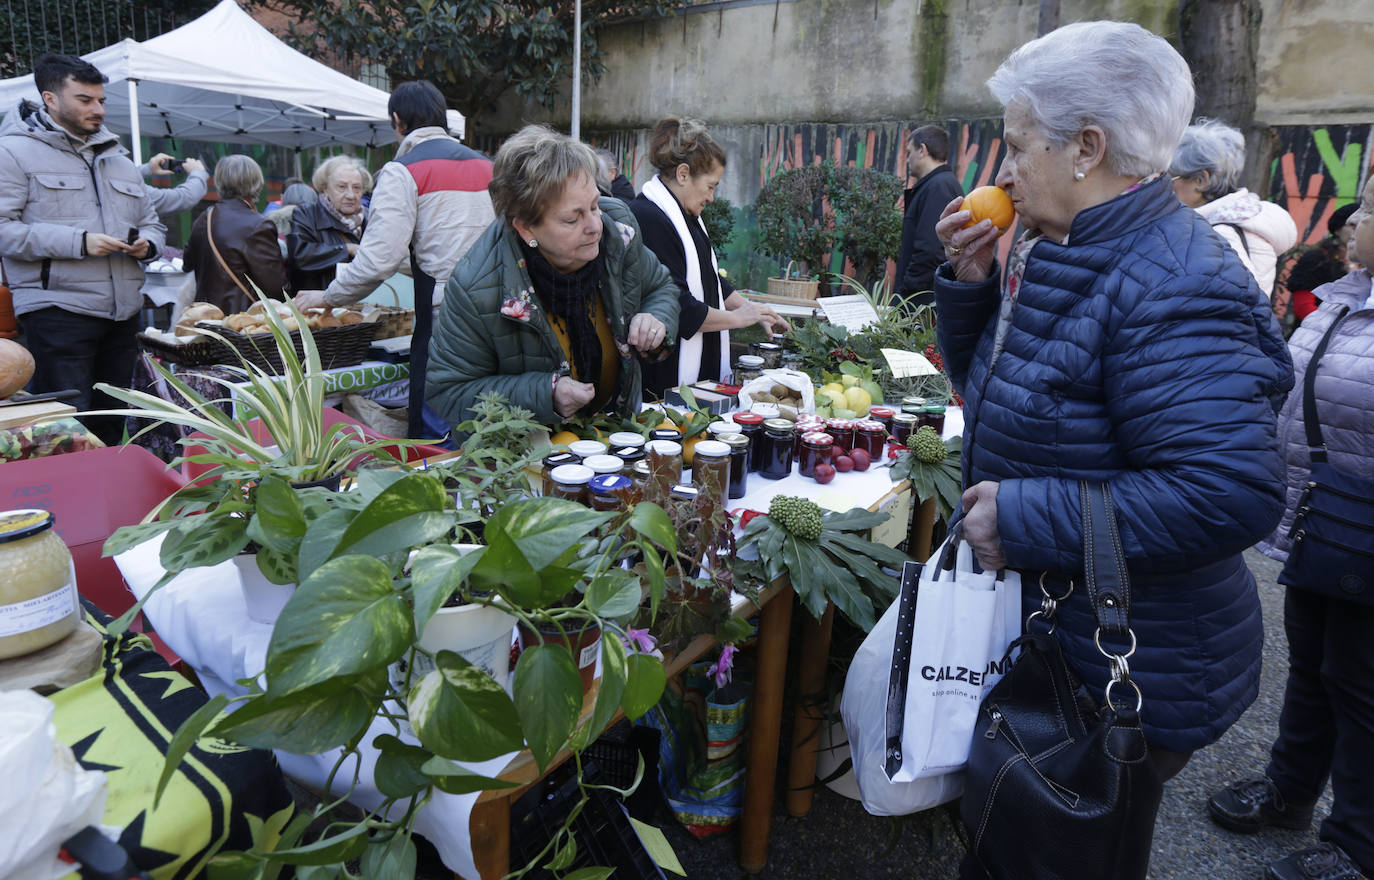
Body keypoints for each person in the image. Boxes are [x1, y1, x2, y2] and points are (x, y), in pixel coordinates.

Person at [931, 22, 1293, 876]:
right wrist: (974, 285)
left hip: (1136, 661)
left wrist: (1024, 515)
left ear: (1087, 147)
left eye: (1019, 145)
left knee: (1067, 849)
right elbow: (1014, 391)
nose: (1005, 169)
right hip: (1075, 637)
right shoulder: (1071, 242)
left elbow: (1229, 492)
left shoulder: (1174, 280)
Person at [1206, 173, 1374, 880]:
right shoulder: (1344, 297)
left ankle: (1358, 843)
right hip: (1324, 520)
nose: (1355, 219)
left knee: (1363, 688)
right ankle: (1290, 792)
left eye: (1371, 206)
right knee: (1312, 666)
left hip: (1362, 529)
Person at [426, 124, 679, 432]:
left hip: (612, 440)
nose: (594, 226)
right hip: (523, 461)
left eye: (595, 205)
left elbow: (660, 287)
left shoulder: (618, 232)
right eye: (573, 218)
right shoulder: (476, 286)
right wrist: (545, 396)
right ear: (526, 229)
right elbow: (448, 392)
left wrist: (655, 319)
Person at [295, 80, 496, 440]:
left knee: (439, 431)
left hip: (444, 320)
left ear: (398, 121)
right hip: (497, 310)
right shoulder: (488, 167)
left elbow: (378, 261)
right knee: (487, 416)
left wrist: (327, 297)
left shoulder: (403, 170)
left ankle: (445, 493)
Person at [0, 53, 165, 445]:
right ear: (50, 99)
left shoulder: (118, 157)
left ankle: (109, 501)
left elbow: (152, 221)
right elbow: (4, 231)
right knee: (69, 430)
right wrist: (79, 242)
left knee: (111, 424)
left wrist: (148, 245)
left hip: (123, 312)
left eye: (101, 100)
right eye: (85, 100)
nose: (98, 109)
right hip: (58, 311)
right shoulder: (12, 152)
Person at [629, 117, 789, 398]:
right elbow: (681, 307)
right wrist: (740, 318)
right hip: (663, 374)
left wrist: (755, 311)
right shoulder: (650, 217)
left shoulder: (686, 215)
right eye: (711, 186)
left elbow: (711, 281)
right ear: (682, 174)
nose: (712, 197)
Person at [1171, 118, 1298, 298]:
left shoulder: (1219, 234)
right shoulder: (1238, 219)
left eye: (1169, 179)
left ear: (1201, 181)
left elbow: (1229, 303)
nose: (1163, 187)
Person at [181, 155, 286, 313]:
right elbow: (275, 287)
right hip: (244, 322)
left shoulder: (205, 217)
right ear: (257, 184)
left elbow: (187, 264)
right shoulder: (259, 224)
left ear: (219, 182)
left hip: (206, 317)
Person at [895, 125, 963, 307]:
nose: (907, 159)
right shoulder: (937, 184)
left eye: (909, 152)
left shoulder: (938, 187)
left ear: (922, 150)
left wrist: (903, 296)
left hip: (920, 305)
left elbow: (930, 251)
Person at [286, 155, 370, 293]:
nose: (351, 195)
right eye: (342, 187)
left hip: (366, 305)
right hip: (316, 308)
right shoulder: (306, 215)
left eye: (356, 188)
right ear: (325, 188)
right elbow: (300, 255)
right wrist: (347, 249)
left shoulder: (371, 218)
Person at [1287, 202, 1357, 323]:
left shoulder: (1366, 262)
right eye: (1352, 226)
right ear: (1337, 229)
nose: (1358, 231)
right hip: (1318, 334)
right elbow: (1303, 307)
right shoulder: (1318, 259)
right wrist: (1329, 330)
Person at [139, 152, 208, 219]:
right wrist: (198, 172)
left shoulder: (129, 176)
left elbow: (128, 176)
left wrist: (147, 168)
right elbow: (183, 198)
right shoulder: (135, 192)